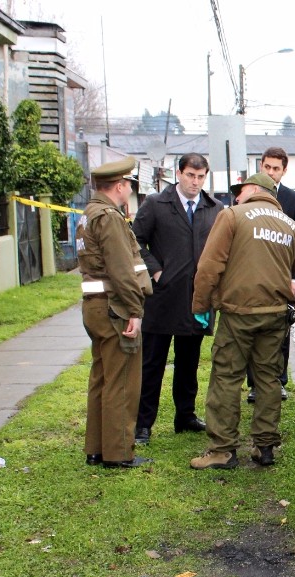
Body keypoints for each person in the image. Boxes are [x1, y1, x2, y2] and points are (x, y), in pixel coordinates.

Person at [190, 173, 295, 470]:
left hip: (238, 314)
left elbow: (209, 265)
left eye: (240, 190)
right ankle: (265, 446)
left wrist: (200, 304)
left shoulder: (232, 216)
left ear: (254, 189)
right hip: (275, 315)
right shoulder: (291, 227)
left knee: (226, 377)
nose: (237, 195)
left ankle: (222, 450)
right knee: (268, 378)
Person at [133, 153, 223, 445]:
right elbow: (134, 242)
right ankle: (143, 423)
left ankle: (185, 415)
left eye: (200, 177)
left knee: (189, 361)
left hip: (197, 299)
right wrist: (156, 271)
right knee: (152, 364)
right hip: (161, 299)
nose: (195, 182)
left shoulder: (215, 209)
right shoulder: (156, 204)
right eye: (190, 176)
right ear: (179, 173)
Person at [75, 157, 154, 469]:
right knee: (122, 380)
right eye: (128, 185)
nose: (129, 190)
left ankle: (97, 448)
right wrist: (135, 310)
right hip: (114, 307)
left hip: (95, 307)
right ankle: (119, 452)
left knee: (102, 378)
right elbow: (122, 270)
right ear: (120, 185)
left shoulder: (89, 214)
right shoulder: (109, 217)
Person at [246, 147, 295, 405]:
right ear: (261, 166)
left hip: (282, 274)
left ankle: (279, 380)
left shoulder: (293, 199)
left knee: (281, 328)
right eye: (267, 167)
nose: (270, 172)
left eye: (275, 168)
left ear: (284, 170)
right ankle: (254, 384)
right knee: (252, 329)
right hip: (254, 273)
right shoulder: (248, 195)